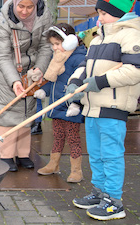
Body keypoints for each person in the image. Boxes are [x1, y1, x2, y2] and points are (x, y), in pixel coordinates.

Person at [66, 0, 140, 221]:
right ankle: (99, 193)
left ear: (119, 13)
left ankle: (114, 201)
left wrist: (101, 81)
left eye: (104, 13)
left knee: (111, 154)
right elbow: (84, 66)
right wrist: (76, 82)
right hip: (92, 107)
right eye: (99, 12)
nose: (99, 17)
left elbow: (134, 70)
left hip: (113, 106)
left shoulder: (130, 35)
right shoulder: (97, 39)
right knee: (96, 154)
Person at [0, 0, 53, 172]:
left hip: (30, 67)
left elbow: (45, 46)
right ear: (15, 3)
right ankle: (7, 155)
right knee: (8, 111)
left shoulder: (44, 16)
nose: (24, 11)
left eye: (29, 7)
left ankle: (23, 153)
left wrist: (39, 69)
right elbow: (2, 55)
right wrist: (14, 80)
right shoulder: (3, 20)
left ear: (35, 4)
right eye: (21, 6)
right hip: (5, 68)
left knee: (28, 110)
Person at [33, 23, 86, 183]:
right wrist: (45, 90)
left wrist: (76, 104)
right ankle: (53, 164)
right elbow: (51, 78)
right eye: (53, 44)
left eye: (58, 44)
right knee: (57, 137)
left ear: (69, 41)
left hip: (71, 107)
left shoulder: (78, 58)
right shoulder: (56, 59)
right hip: (56, 105)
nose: (55, 48)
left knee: (73, 138)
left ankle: (77, 170)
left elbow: (81, 82)